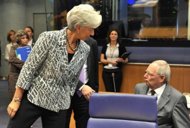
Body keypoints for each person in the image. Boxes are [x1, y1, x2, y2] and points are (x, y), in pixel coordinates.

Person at [7, 4, 102, 128]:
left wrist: (80, 88)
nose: (93, 33)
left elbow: (71, 79)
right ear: (78, 27)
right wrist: (16, 100)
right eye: (90, 29)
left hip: (59, 106)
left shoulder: (85, 49)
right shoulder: (49, 38)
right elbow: (28, 69)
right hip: (35, 97)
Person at [135, 60, 190, 128]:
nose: (145, 76)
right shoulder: (139, 88)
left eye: (150, 74)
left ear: (162, 78)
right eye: (145, 72)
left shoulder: (176, 99)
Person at [65, 37, 99, 128]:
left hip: (86, 92)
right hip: (65, 90)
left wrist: (95, 91)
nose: (92, 32)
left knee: (84, 123)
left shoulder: (92, 42)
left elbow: (95, 69)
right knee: (62, 123)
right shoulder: (64, 40)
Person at [100, 28, 128, 92]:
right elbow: (101, 59)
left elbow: (126, 60)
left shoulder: (121, 46)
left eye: (115, 34)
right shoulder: (105, 46)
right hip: (106, 71)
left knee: (116, 91)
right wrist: (110, 61)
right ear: (109, 36)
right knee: (108, 90)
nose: (113, 35)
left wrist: (121, 60)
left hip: (117, 71)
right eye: (112, 34)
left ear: (117, 36)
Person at [8, 30, 30, 101]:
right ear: (18, 39)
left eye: (26, 38)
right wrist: (24, 64)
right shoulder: (14, 47)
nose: (25, 39)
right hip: (15, 75)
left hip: (25, 74)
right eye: (23, 38)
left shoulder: (29, 47)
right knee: (15, 96)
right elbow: (12, 59)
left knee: (25, 96)